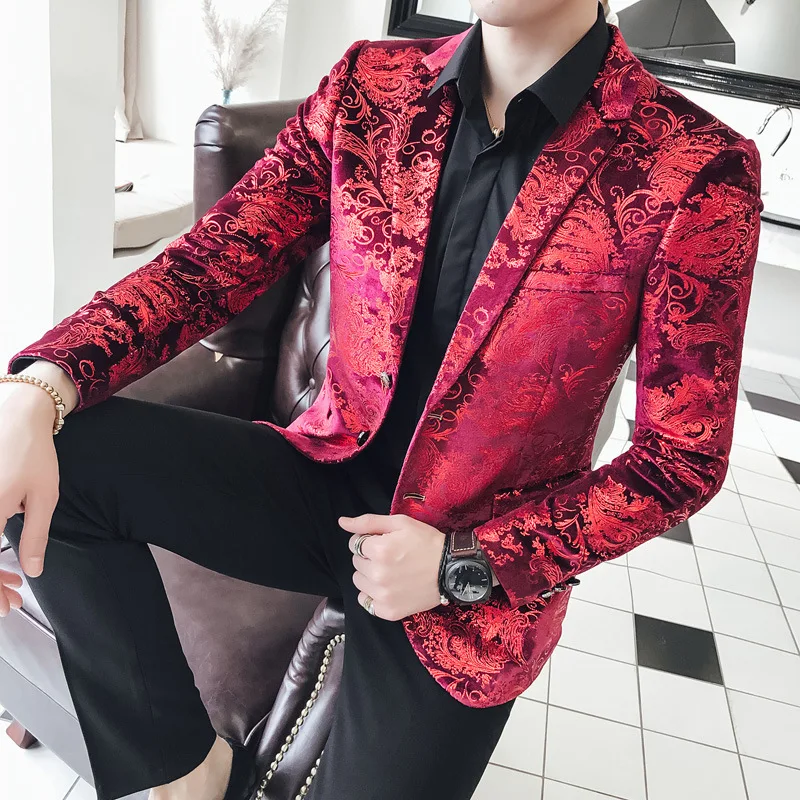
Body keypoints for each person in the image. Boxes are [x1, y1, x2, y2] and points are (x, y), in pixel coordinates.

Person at [0, 1, 761, 799]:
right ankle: (191, 772)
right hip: (324, 474)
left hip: (466, 561)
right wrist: (41, 382)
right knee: (56, 451)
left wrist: (468, 565)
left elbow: (681, 458)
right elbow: (216, 257)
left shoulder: (694, 166)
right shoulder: (373, 84)